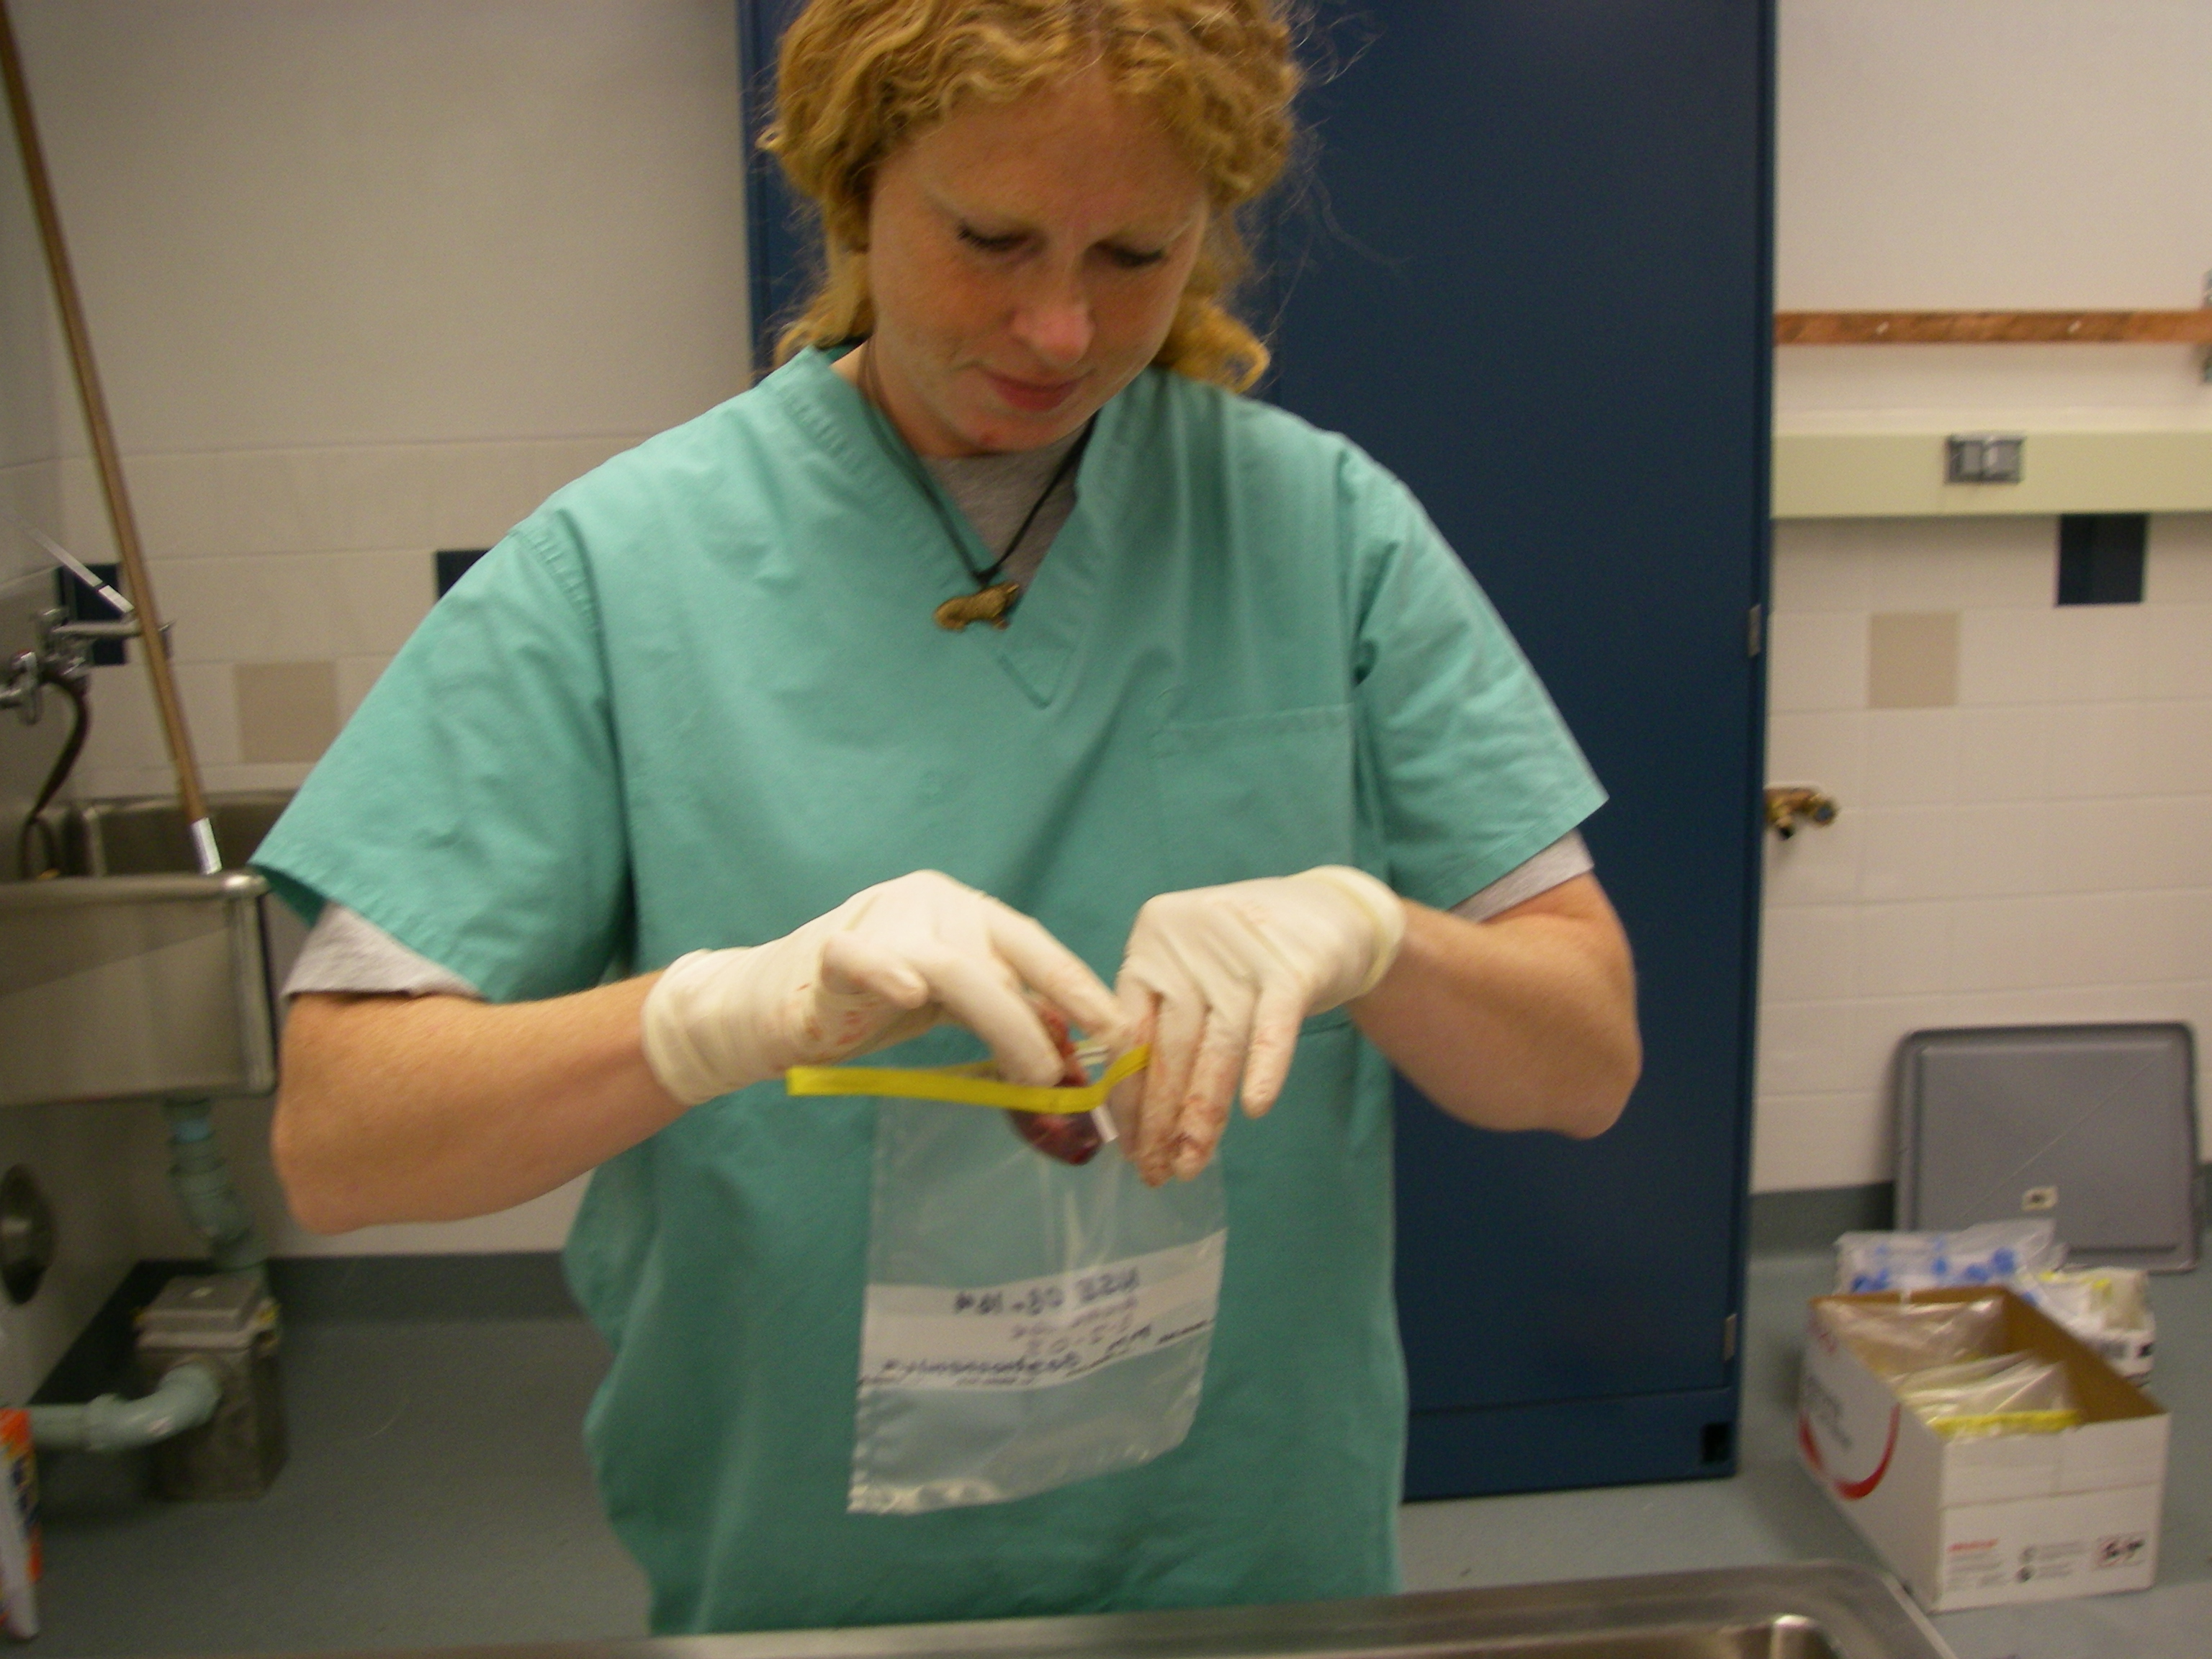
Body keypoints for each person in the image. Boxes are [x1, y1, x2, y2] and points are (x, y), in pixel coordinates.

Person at [254, 0, 1640, 1635]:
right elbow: (343, 1142)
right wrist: (722, 1015)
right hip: (818, 1585)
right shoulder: (618, 575)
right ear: (853, 188)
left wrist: (1374, 934)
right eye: (990, 239)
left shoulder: (1320, 530)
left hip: (1251, 1571)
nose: (1060, 327)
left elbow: (1583, 1062)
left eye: (1136, 255)